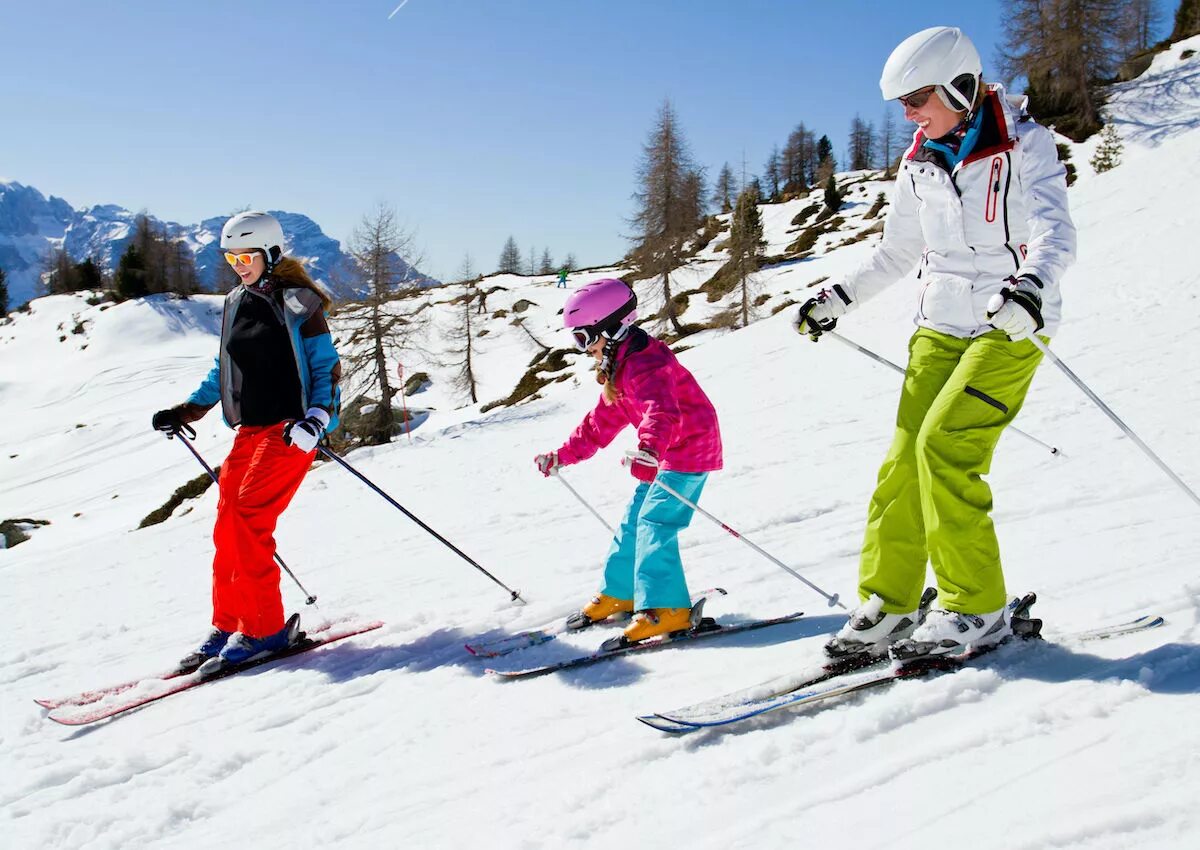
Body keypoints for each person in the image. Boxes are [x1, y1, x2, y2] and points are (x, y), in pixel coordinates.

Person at [794, 27, 1076, 658]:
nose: (908, 114)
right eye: (901, 103)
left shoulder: (1025, 145)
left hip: (1012, 322)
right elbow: (898, 250)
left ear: (961, 84)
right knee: (902, 462)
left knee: (944, 447)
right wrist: (838, 296)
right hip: (940, 325)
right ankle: (890, 604)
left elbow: (1057, 231)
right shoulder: (918, 161)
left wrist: (1031, 287)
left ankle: (976, 607)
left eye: (917, 97)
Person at [152, 211, 342, 671]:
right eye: (231, 256)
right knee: (226, 525)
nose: (238, 264)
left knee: (248, 518)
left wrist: (318, 418)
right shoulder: (237, 300)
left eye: (247, 256)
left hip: (289, 432)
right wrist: (189, 409)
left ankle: (265, 630)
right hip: (249, 431)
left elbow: (326, 368)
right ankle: (230, 622)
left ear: (271, 254)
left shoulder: (300, 303)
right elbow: (225, 368)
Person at [534, 278, 723, 644]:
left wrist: (650, 450)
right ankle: (621, 593)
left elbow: (662, 410)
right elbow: (599, 423)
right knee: (635, 521)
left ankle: (666, 610)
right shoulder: (621, 367)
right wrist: (562, 456)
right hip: (663, 453)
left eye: (585, 338)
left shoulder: (648, 364)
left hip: (688, 448)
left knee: (655, 521)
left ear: (613, 328)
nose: (583, 349)